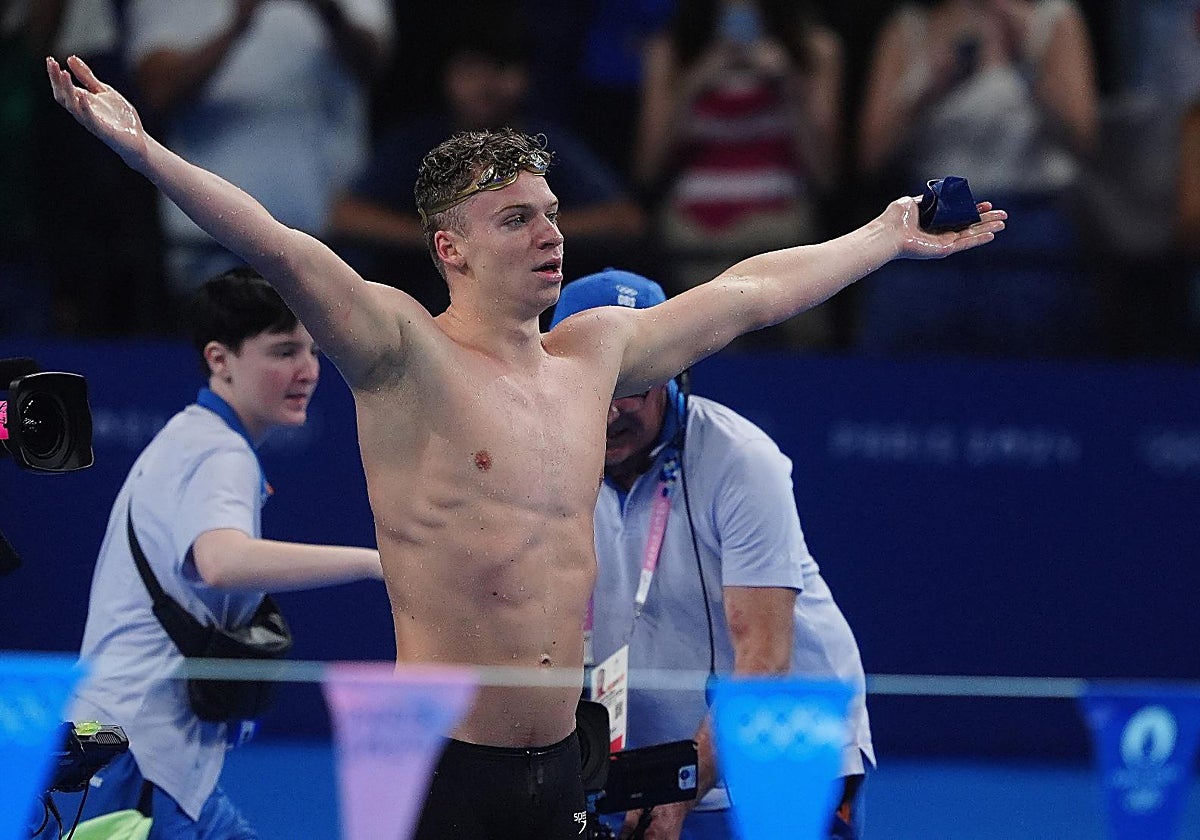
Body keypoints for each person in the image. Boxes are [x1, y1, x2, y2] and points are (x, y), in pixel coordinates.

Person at [47, 54, 1004, 839]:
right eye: (517, 219)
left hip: (566, 763)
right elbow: (281, 249)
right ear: (449, 250)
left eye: (549, 213)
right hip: (442, 771)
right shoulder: (399, 355)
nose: (551, 234)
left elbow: (750, 291)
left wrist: (885, 235)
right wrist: (146, 153)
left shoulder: (594, 354)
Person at [550, 269, 873, 840]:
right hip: (648, 756)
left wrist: (681, 788)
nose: (608, 410)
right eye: (594, 381)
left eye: (632, 381)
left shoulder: (741, 461)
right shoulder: (543, 467)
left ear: (675, 371)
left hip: (785, 744)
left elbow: (764, 656)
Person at [67, 267, 384, 838]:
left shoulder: (194, 437)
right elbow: (221, 561)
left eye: (311, 351)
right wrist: (372, 563)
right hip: (138, 759)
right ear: (220, 359)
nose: (307, 371)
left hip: (147, 756)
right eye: (283, 351)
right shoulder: (219, 453)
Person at [328, 6, 645, 314]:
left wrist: (526, 228)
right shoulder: (417, 144)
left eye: (500, 69)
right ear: (448, 76)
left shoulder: (545, 144)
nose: (486, 85)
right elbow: (348, 215)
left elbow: (624, 219)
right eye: (471, 70)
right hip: (429, 306)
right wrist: (446, 236)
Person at [854, 0, 1099, 358]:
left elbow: (1084, 139)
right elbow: (871, 157)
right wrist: (929, 88)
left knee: (1038, 359)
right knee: (907, 358)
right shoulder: (909, 27)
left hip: (1028, 221)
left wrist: (1031, 62)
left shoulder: (1054, 19)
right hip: (932, 221)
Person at [125, 0, 392, 306]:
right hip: (210, 251)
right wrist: (239, 24)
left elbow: (377, 65)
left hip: (332, 250)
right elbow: (156, 92)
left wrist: (328, 11)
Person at [632, 0, 845, 348]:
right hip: (694, 237)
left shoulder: (816, 48)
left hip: (781, 234)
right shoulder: (673, 48)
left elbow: (827, 175)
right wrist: (693, 84)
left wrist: (788, 85)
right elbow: (647, 168)